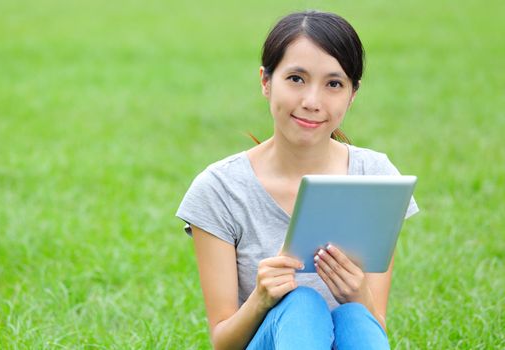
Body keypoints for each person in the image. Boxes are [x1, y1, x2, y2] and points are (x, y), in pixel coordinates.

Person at [176, 10, 419, 350]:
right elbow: (222, 342)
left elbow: (372, 328)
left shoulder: (374, 177)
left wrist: (357, 293)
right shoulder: (220, 189)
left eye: (333, 84)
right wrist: (261, 298)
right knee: (302, 304)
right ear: (265, 81)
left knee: (354, 317)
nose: (312, 102)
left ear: (352, 94)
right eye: (296, 79)